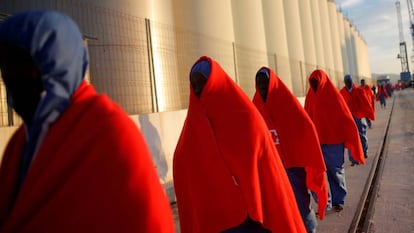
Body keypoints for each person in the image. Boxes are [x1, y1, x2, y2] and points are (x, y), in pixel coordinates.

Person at [0, 10, 174, 233]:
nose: (9, 79)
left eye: (19, 68)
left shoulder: (108, 132)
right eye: (5, 68)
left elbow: (146, 220)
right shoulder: (21, 142)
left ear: (54, 65)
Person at [173, 56, 306, 233]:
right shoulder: (191, 130)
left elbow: (265, 168)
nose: (197, 90)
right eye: (193, 85)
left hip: (249, 218)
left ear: (216, 83)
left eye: (202, 83)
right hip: (216, 221)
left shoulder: (246, 118)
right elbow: (184, 168)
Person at [252, 67, 328, 233]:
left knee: (299, 203)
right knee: (277, 208)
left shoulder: (286, 103)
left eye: (264, 82)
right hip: (270, 168)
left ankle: (309, 229)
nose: (262, 86)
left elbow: (305, 126)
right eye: (258, 83)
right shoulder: (255, 107)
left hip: (292, 166)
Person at [305, 69, 365, 213]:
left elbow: (344, 116)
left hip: (333, 142)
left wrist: (351, 133)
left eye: (316, 82)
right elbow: (306, 117)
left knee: (335, 172)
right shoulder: (310, 97)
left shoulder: (333, 96)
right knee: (315, 174)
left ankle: (338, 200)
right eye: (312, 82)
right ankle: (324, 202)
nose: (314, 85)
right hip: (317, 142)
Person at [340, 75, 375, 165]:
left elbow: (365, 102)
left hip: (358, 116)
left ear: (352, 81)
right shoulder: (342, 93)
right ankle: (353, 158)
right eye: (346, 81)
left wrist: (369, 112)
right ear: (344, 82)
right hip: (349, 118)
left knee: (362, 134)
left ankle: (364, 151)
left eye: (349, 81)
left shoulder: (359, 91)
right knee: (350, 138)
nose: (348, 83)